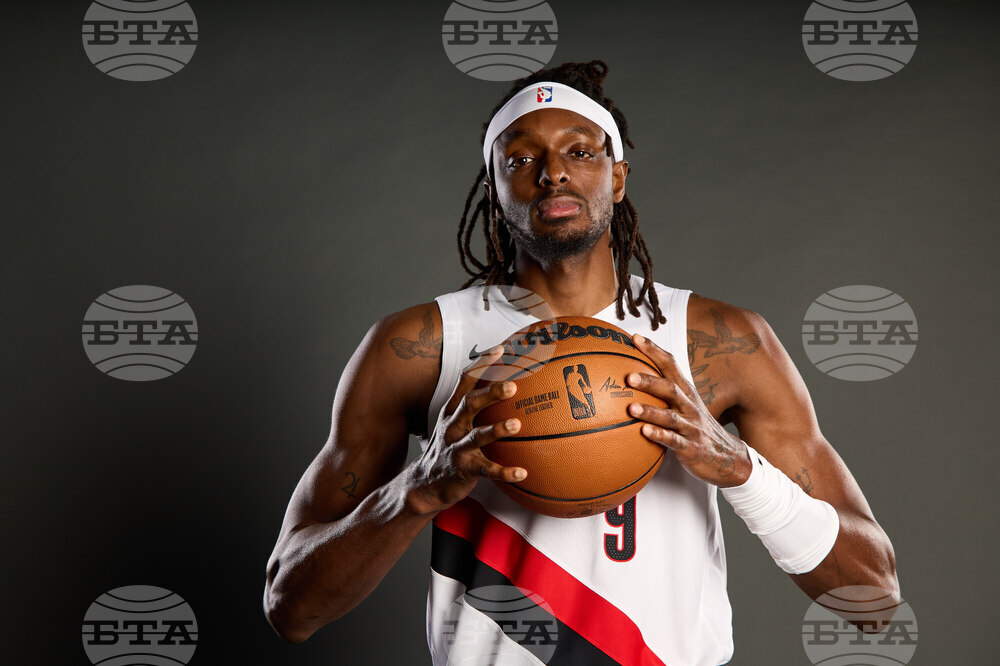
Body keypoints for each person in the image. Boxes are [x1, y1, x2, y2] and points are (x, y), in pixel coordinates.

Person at [263, 60, 898, 665]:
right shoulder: (420, 346)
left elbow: (874, 596)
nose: (552, 173)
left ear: (618, 176)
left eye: (580, 151)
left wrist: (739, 470)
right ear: (494, 187)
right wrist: (417, 488)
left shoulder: (719, 341)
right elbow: (290, 608)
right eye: (520, 158)